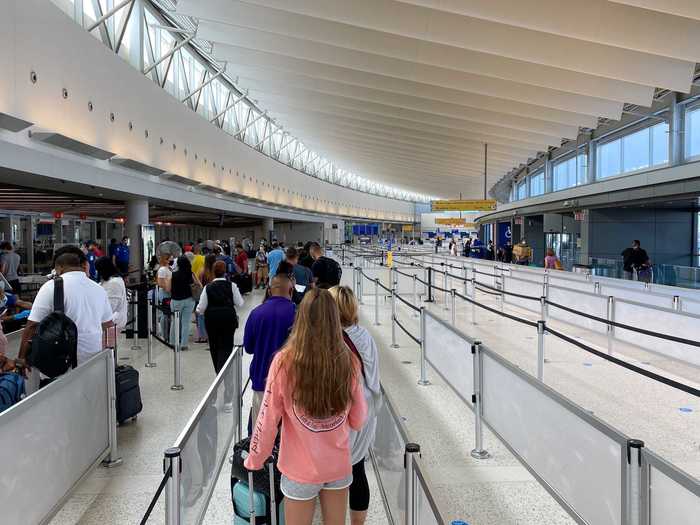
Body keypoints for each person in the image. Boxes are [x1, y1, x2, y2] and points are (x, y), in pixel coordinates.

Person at [244, 289, 367, 525]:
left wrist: (255, 458)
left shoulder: (284, 361)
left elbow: (267, 418)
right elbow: (358, 419)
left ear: (300, 318)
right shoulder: (348, 359)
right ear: (334, 319)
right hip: (338, 465)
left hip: (298, 468)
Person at [328, 286, 381, 525]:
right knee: (357, 468)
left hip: (342, 411)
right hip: (367, 408)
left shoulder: (329, 339)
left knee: (335, 472)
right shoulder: (364, 335)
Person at [18, 246, 114, 368]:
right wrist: (109, 355)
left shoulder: (50, 287)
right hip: (94, 357)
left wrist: (21, 359)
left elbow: (32, 326)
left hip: (62, 360)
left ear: (59, 268)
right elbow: (108, 326)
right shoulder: (99, 289)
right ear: (83, 265)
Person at [243, 274, 296, 426]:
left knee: (260, 433)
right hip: (291, 384)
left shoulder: (256, 313)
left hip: (261, 381)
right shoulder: (298, 314)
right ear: (291, 291)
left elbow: (249, 348)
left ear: (270, 290)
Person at [196, 260, 244, 406]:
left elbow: (201, 308)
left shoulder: (208, 288)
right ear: (225, 272)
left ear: (213, 272)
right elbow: (240, 303)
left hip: (212, 323)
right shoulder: (232, 286)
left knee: (216, 354)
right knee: (226, 353)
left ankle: (218, 387)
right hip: (228, 322)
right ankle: (228, 395)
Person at [170, 255, 200, 350]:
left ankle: (173, 342)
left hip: (176, 300)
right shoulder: (190, 273)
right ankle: (184, 344)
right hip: (189, 300)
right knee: (186, 323)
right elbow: (198, 284)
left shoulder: (173, 274)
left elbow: (169, 287)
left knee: (175, 322)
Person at [95, 257, 128, 332]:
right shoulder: (107, 280)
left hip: (112, 322)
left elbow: (110, 307)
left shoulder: (114, 283)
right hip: (108, 320)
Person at [195, 254, 217, 343]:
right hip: (214, 296)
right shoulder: (216, 271)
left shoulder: (202, 271)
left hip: (204, 295)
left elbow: (199, 283)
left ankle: (203, 336)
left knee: (201, 316)